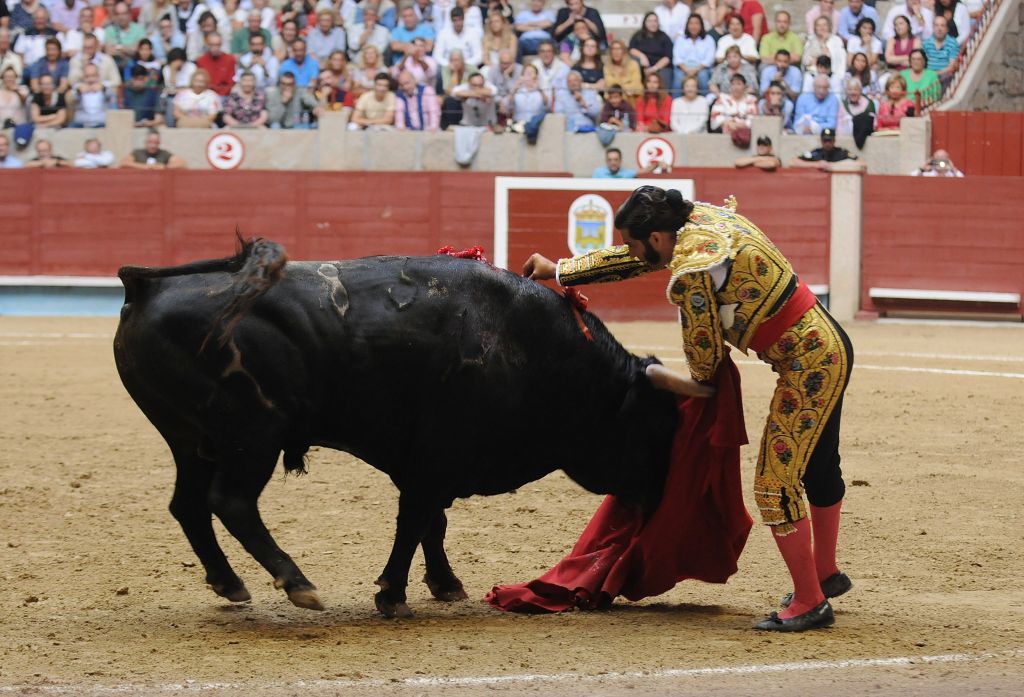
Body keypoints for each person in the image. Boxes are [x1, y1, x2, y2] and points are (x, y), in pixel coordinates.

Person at [524, 185, 855, 632]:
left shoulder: (695, 269)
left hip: (809, 362)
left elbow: (704, 368)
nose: (632, 251)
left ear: (658, 238)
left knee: (775, 483)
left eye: (635, 242)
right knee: (817, 467)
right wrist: (563, 271)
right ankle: (825, 573)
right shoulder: (694, 221)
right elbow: (637, 258)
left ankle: (811, 601)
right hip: (829, 339)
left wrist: (661, 380)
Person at [629, 11, 674, 95]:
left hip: (660, 67)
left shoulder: (664, 37)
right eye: (650, 21)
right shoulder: (638, 35)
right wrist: (642, 56)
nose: (653, 23)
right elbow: (631, 49)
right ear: (645, 22)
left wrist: (654, 69)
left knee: (665, 74)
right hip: (643, 66)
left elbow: (667, 57)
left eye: (655, 21)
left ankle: (663, 101)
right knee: (634, 63)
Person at [673, 14, 714, 96]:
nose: (693, 26)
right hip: (683, 68)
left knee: (703, 77)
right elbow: (677, 58)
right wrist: (686, 70)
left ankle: (705, 105)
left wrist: (696, 70)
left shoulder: (708, 39)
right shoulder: (681, 39)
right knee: (678, 79)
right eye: (691, 23)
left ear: (701, 25)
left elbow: (709, 59)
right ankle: (676, 105)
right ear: (687, 25)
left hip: (701, 68)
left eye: (696, 23)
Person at [789, 127, 860, 170]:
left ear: (834, 140)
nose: (827, 143)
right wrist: (816, 164)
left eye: (830, 141)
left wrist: (836, 165)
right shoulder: (816, 153)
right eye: (825, 141)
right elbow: (792, 162)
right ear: (821, 140)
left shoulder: (841, 152)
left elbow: (862, 163)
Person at [709, 72, 756, 137]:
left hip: (746, 135)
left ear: (744, 86)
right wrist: (728, 123)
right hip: (724, 134)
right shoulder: (722, 99)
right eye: (733, 84)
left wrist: (737, 125)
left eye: (739, 84)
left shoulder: (751, 100)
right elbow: (715, 119)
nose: (735, 87)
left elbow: (753, 121)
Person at [68, 62, 114, 126]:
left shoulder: (106, 85)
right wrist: (79, 92)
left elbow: (110, 95)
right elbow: (71, 99)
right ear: (83, 77)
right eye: (87, 76)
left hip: (101, 122)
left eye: (93, 76)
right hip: (81, 123)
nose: (90, 79)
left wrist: (103, 89)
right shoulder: (78, 86)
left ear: (98, 76)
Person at [922, 15, 959, 88]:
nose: (939, 29)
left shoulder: (953, 43)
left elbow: (951, 67)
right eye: (936, 25)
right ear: (933, 27)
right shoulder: (925, 43)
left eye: (942, 26)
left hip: (945, 76)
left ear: (947, 29)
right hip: (928, 75)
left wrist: (935, 74)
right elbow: (922, 63)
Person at [120, 127, 186, 168]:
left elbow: (182, 163)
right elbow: (124, 163)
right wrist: (145, 167)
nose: (153, 145)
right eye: (150, 142)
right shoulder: (138, 153)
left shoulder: (164, 154)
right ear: (145, 142)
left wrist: (164, 167)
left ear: (159, 143)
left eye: (155, 143)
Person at [837, 77, 875, 147]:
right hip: (846, 139)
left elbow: (872, 124)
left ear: (860, 91)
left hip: (865, 141)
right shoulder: (842, 105)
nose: (852, 92)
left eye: (855, 89)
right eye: (850, 90)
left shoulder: (869, 104)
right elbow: (839, 124)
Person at [195, 31, 235, 96]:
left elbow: (230, 83)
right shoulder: (201, 60)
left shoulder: (229, 60)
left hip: (224, 95)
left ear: (221, 44)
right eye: (212, 45)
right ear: (207, 44)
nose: (215, 48)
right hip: (205, 95)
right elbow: (199, 82)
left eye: (217, 45)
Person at [603, 39, 642, 103]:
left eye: (619, 49)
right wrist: (627, 86)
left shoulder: (633, 64)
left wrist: (619, 86)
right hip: (612, 101)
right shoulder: (607, 66)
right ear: (610, 52)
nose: (616, 52)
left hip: (630, 101)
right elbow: (610, 84)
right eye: (614, 49)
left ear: (624, 51)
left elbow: (637, 86)